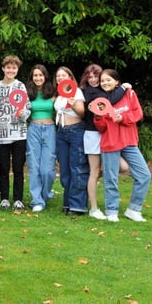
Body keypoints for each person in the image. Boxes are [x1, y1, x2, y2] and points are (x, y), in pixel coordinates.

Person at [94, 69, 151, 222]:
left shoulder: (129, 94)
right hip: (110, 143)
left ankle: (134, 209)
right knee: (111, 178)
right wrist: (101, 118)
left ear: (117, 81)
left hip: (129, 142)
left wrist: (122, 118)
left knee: (144, 175)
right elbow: (100, 127)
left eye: (108, 80)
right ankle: (111, 211)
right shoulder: (100, 100)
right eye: (102, 81)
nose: (105, 83)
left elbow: (137, 113)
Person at [80, 63, 128, 220]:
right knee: (94, 171)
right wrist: (123, 87)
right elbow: (110, 100)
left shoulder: (103, 89)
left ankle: (88, 183)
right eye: (90, 76)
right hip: (93, 134)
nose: (93, 79)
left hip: (106, 134)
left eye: (96, 76)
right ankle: (93, 208)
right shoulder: (89, 92)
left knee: (123, 166)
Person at [0, 55, 30, 211]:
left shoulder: (20, 86)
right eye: (8, 67)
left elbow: (27, 108)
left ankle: (17, 199)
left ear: (17, 70)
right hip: (1, 133)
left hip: (19, 133)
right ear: (3, 68)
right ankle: (4, 198)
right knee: (3, 168)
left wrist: (23, 113)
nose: (11, 70)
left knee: (18, 167)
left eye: (14, 68)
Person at [54, 66, 88, 215]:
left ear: (70, 77)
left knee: (78, 167)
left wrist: (73, 104)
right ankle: (68, 202)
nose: (60, 78)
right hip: (62, 132)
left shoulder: (76, 92)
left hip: (75, 131)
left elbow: (82, 113)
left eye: (63, 75)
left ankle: (78, 205)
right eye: (58, 76)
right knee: (65, 170)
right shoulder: (60, 95)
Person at [25, 64, 56, 212]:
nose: (38, 78)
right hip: (34, 130)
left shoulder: (53, 92)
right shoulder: (27, 93)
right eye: (35, 75)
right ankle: (37, 201)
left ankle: (45, 195)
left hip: (50, 130)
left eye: (40, 75)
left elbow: (71, 95)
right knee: (34, 166)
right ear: (32, 77)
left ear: (45, 77)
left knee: (47, 170)